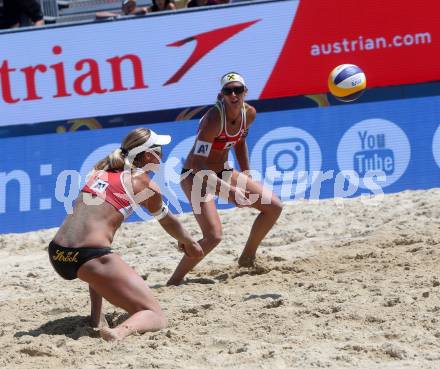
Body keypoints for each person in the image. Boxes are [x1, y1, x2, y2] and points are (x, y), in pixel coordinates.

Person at [48, 128, 203, 341]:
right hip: (88, 257)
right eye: (160, 150)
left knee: (103, 258)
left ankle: (95, 318)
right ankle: (118, 333)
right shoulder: (144, 183)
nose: (163, 154)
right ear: (147, 155)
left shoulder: (99, 172)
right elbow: (167, 220)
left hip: (58, 253)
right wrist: (189, 241)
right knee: (155, 315)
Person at [167, 72, 283, 286]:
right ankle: (174, 281)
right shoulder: (213, 119)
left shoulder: (250, 113)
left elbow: (239, 143)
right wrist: (229, 190)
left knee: (273, 206)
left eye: (238, 89)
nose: (233, 94)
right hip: (195, 176)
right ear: (221, 94)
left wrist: (246, 175)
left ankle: (247, 259)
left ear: (245, 92)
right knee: (213, 237)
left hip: (223, 171)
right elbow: (197, 163)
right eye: (228, 90)